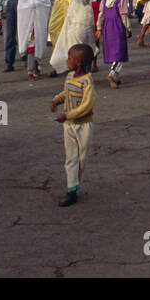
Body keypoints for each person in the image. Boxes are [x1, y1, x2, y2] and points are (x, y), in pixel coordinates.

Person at [51, 43, 97, 207]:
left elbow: (86, 106)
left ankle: (76, 184)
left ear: (78, 62)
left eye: (70, 58)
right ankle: (71, 190)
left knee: (81, 158)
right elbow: (67, 92)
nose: (67, 60)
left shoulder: (87, 82)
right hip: (69, 125)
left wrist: (67, 114)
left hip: (83, 125)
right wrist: (57, 100)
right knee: (71, 158)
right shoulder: (70, 77)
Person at [17, 0, 52, 80]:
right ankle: (30, 71)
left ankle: (36, 66)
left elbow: (46, 7)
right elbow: (21, 8)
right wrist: (31, 6)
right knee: (30, 47)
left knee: (39, 45)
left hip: (39, 24)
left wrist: (38, 6)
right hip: (28, 25)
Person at [96, 0, 131, 88]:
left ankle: (115, 76)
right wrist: (128, 28)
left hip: (107, 26)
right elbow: (124, 16)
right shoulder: (122, 0)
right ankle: (113, 73)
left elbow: (101, 15)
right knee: (119, 51)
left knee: (112, 50)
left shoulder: (105, 0)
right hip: (117, 26)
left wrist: (99, 28)